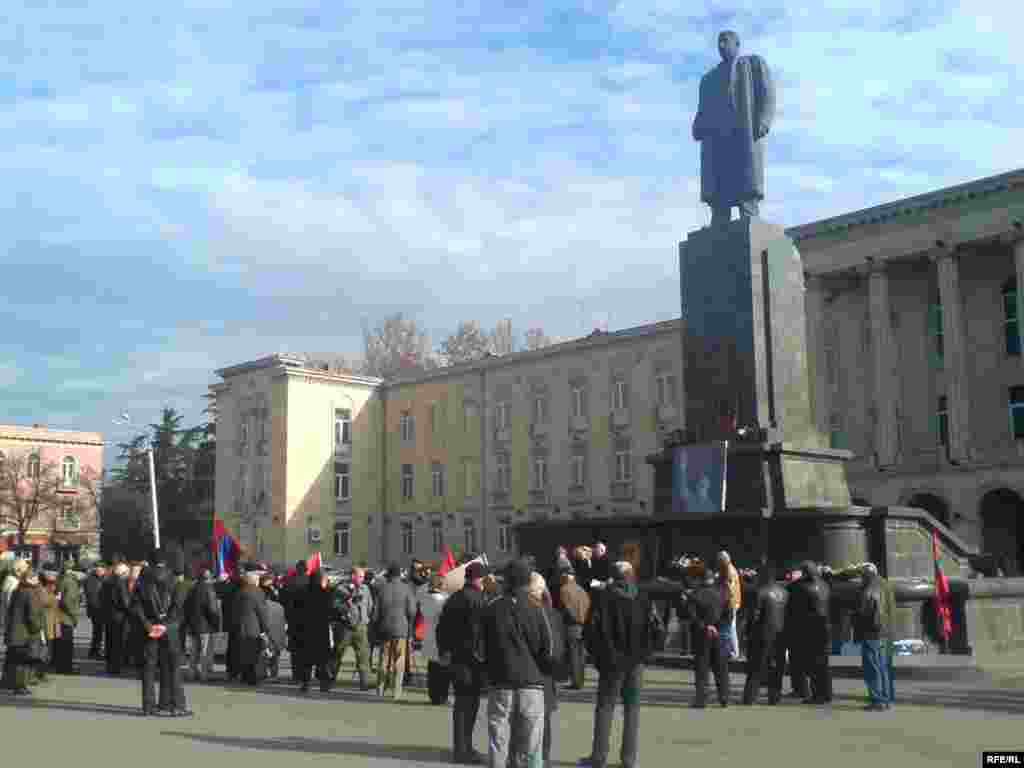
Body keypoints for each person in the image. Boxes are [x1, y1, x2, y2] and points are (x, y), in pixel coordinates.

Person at [691, 29, 776, 226]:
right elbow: (702, 110)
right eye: (719, 42)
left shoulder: (752, 64)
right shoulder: (709, 79)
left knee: (745, 185)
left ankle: (750, 218)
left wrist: (764, 119)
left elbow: (768, 93)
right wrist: (698, 125)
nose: (721, 45)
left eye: (725, 41)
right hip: (718, 141)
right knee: (720, 190)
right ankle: (719, 222)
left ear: (737, 45)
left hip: (743, 134)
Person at [579, 561, 653, 768]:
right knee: (632, 709)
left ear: (613, 576)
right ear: (631, 575)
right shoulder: (643, 598)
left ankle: (599, 757)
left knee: (605, 708)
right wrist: (645, 653)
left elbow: (590, 632)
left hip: (611, 662)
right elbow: (656, 629)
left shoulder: (603, 598)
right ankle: (629, 759)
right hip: (636, 662)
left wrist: (599, 657)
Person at [482, 558, 552, 768]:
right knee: (531, 746)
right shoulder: (536, 607)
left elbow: (481, 648)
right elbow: (547, 648)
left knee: (498, 742)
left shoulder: (491, 608)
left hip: (500, 682)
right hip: (530, 682)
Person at [437, 560, 490, 765]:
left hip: (456, 658)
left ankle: (462, 746)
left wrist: (444, 651)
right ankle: (464, 748)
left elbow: (442, 629)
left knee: (461, 704)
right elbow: (480, 632)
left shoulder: (454, 598)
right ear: (478, 579)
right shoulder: (479, 600)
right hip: (472, 660)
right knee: (470, 704)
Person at [512, 572, 567, 768]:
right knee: (541, 722)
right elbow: (556, 649)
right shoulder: (550, 614)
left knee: (518, 721)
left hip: (518, 674)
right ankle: (541, 758)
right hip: (542, 674)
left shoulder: (513, 609)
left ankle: (519, 758)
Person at [133, 550, 191, 717]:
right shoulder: (175, 581)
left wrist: (149, 626)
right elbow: (178, 608)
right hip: (170, 630)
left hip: (148, 630)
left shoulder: (142, 582)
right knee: (172, 668)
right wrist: (164, 625)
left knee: (149, 669)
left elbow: (136, 607)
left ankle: (148, 707)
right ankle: (174, 705)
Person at [742, 563, 786, 705]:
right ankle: (775, 697)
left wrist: (747, 632)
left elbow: (754, 616)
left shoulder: (760, 592)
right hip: (779, 634)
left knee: (755, 667)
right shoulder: (784, 593)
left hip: (761, 634)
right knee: (776, 667)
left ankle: (750, 697)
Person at [373, 562, 416, 699]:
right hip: (401, 630)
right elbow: (412, 610)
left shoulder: (382, 589)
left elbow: (374, 614)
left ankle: (380, 689)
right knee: (399, 660)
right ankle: (396, 691)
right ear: (399, 574)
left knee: (384, 660)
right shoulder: (406, 589)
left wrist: (376, 627)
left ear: (388, 575)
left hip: (384, 630)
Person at [791, 561, 832, 704]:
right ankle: (827, 694)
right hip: (825, 627)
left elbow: (794, 605)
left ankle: (818, 695)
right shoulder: (825, 585)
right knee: (824, 665)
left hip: (810, 630)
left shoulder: (801, 587)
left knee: (815, 665)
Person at [690, 568, 729, 708]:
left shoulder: (696, 594)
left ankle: (701, 699)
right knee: (721, 667)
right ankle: (724, 696)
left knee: (702, 668)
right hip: (719, 633)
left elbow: (692, 616)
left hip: (702, 634)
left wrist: (706, 626)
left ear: (701, 579)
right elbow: (728, 614)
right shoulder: (723, 593)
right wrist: (717, 627)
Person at [3, 569, 46, 695]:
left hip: (14, 631)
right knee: (23, 661)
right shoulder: (30, 593)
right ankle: (20, 686)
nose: (37, 580)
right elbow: (32, 616)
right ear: (30, 579)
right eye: (35, 578)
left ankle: (10, 683)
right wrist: (38, 628)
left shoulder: (17, 591)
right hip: (25, 633)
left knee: (14, 659)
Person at [332, 567, 375, 691]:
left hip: (361, 626)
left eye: (363, 577)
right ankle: (328, 680)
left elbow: (370, 605)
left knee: (363, 655)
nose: (362, 579)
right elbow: (335, 605)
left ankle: (365, 682)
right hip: (345, 626)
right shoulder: (341, 588)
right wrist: (348, 604)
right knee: (338, 653)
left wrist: (366, 619)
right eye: (360, 576)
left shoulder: (365, 589)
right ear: (353, 576)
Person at [856, 563, 890, 711]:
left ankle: (877, 701)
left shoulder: (868, 590)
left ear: (866, 576)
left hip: (871, 633)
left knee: (872, 668)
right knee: (882, 667)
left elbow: (866, 613)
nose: (860, 579)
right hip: (883, 632)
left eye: (862, 576)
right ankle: (885, 699)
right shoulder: (883, 586)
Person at [295, 569, 334, 693]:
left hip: (305, 630)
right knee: (322, 661)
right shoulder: (325, 593)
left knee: (306, 661)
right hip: (320, 630)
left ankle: (305, 684)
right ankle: (324, 684)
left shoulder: (301, 592)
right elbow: (330, 611)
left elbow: (295, 611)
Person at [232, 572, 271, 685]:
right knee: (254, 653)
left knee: (244, 652)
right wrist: (265, 629)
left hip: (240, 627)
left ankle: (245, 676)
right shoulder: (257, 593)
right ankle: (252, 678)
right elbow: (262, 612)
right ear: (254, 581)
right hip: (253, 627)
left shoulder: (240, 592)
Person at [419, 573, 451, 705]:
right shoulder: (442, 600)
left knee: (432, 671)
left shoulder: (425, 599)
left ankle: (433, 695)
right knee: (442, 672)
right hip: (440, 638)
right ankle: (441, 697)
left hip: (428, 636)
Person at [184, 568, 220, 683]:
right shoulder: (209, 590)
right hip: (206, 626)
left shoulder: (191, 589)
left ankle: (191, 673)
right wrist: (215, 624)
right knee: (205, 651)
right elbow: (212, 609)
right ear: (208, 578)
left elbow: (186, 607)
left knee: (194, 651)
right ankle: (204, 675)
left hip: (192, 625)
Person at [558, 566, 591, 690]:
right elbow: (588, 605)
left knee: (573, 655)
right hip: (583, 625)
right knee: (581, 655)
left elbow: (565, 608)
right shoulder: (581, 590)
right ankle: (580, 680)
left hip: (571, 625)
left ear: (565, 576)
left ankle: (575, 681)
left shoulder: (564, 589)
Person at [103, 561, 131, 675]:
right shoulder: (121, 583)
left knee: (109, 641)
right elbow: (125, 602)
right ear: (123, 573)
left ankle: (109, 666)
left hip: (108, 615)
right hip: (119, 616)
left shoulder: (107, 582)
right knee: (118, 643)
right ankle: (115, 668)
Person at [53, 562, 81, 674]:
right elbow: (68, 601)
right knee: (67, 645)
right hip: (67, 617)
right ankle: (66, 668)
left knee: (60, 644)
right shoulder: (70, 582)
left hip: (59, 616)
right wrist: (74, 616)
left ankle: (60, 666)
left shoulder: (60, 579)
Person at [717, 551, 742, 660]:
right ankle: (733, 651)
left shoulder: (728, 570)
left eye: (719, 560)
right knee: (731, 627)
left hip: (731, 603)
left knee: (730, 628)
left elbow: (729, 588)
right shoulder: (730, 568)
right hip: (734, 602)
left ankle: (734, 652)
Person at [260, 574, 287, 680]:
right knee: (275, 654)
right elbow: (283, 621)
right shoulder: (279, 606)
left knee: (264, 653)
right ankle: (274, 674)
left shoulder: (262, 605)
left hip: (266, 631)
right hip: (276, 631)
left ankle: (264, 672)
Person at [84, 561, 107, 659]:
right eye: (98, 568)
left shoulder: (103, 579)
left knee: (99, 632)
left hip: (100, 609)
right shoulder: (91, 580)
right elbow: (91, 597)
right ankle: (94, 652)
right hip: (97, 610)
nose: (100, 570)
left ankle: (95, 651)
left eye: (101, 569)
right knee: (97, 632)